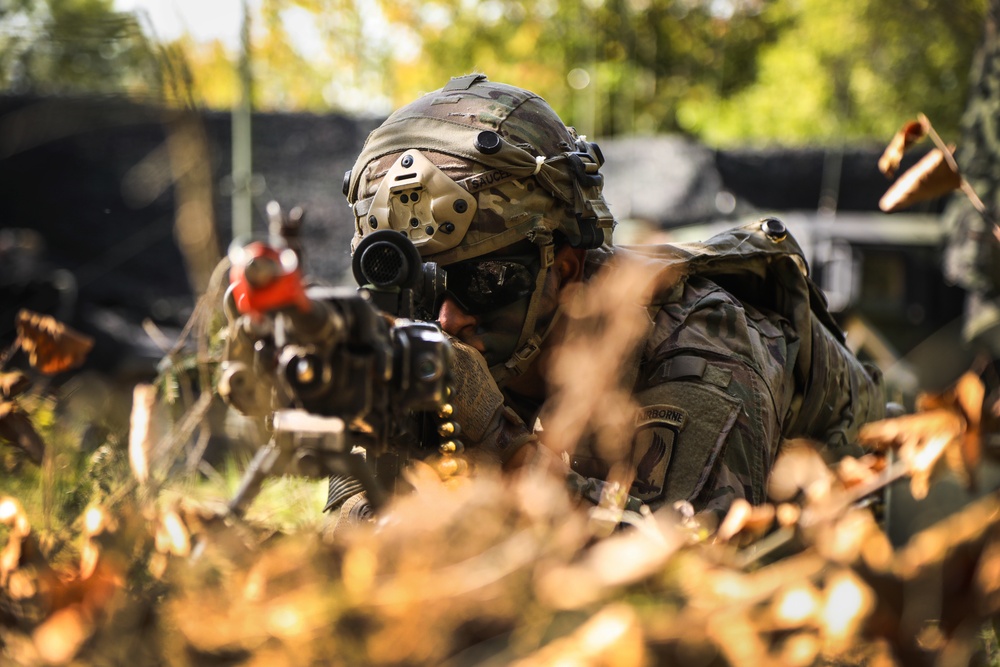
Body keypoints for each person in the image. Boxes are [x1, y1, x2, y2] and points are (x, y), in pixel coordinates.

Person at [336, 73, 885, 520]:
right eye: (425, 287)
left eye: (487, 281)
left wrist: (499, 440)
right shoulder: (449, 339)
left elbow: (683, 568)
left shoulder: (696, 351)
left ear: (567, 268)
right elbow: (354, 536)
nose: (448, 318)